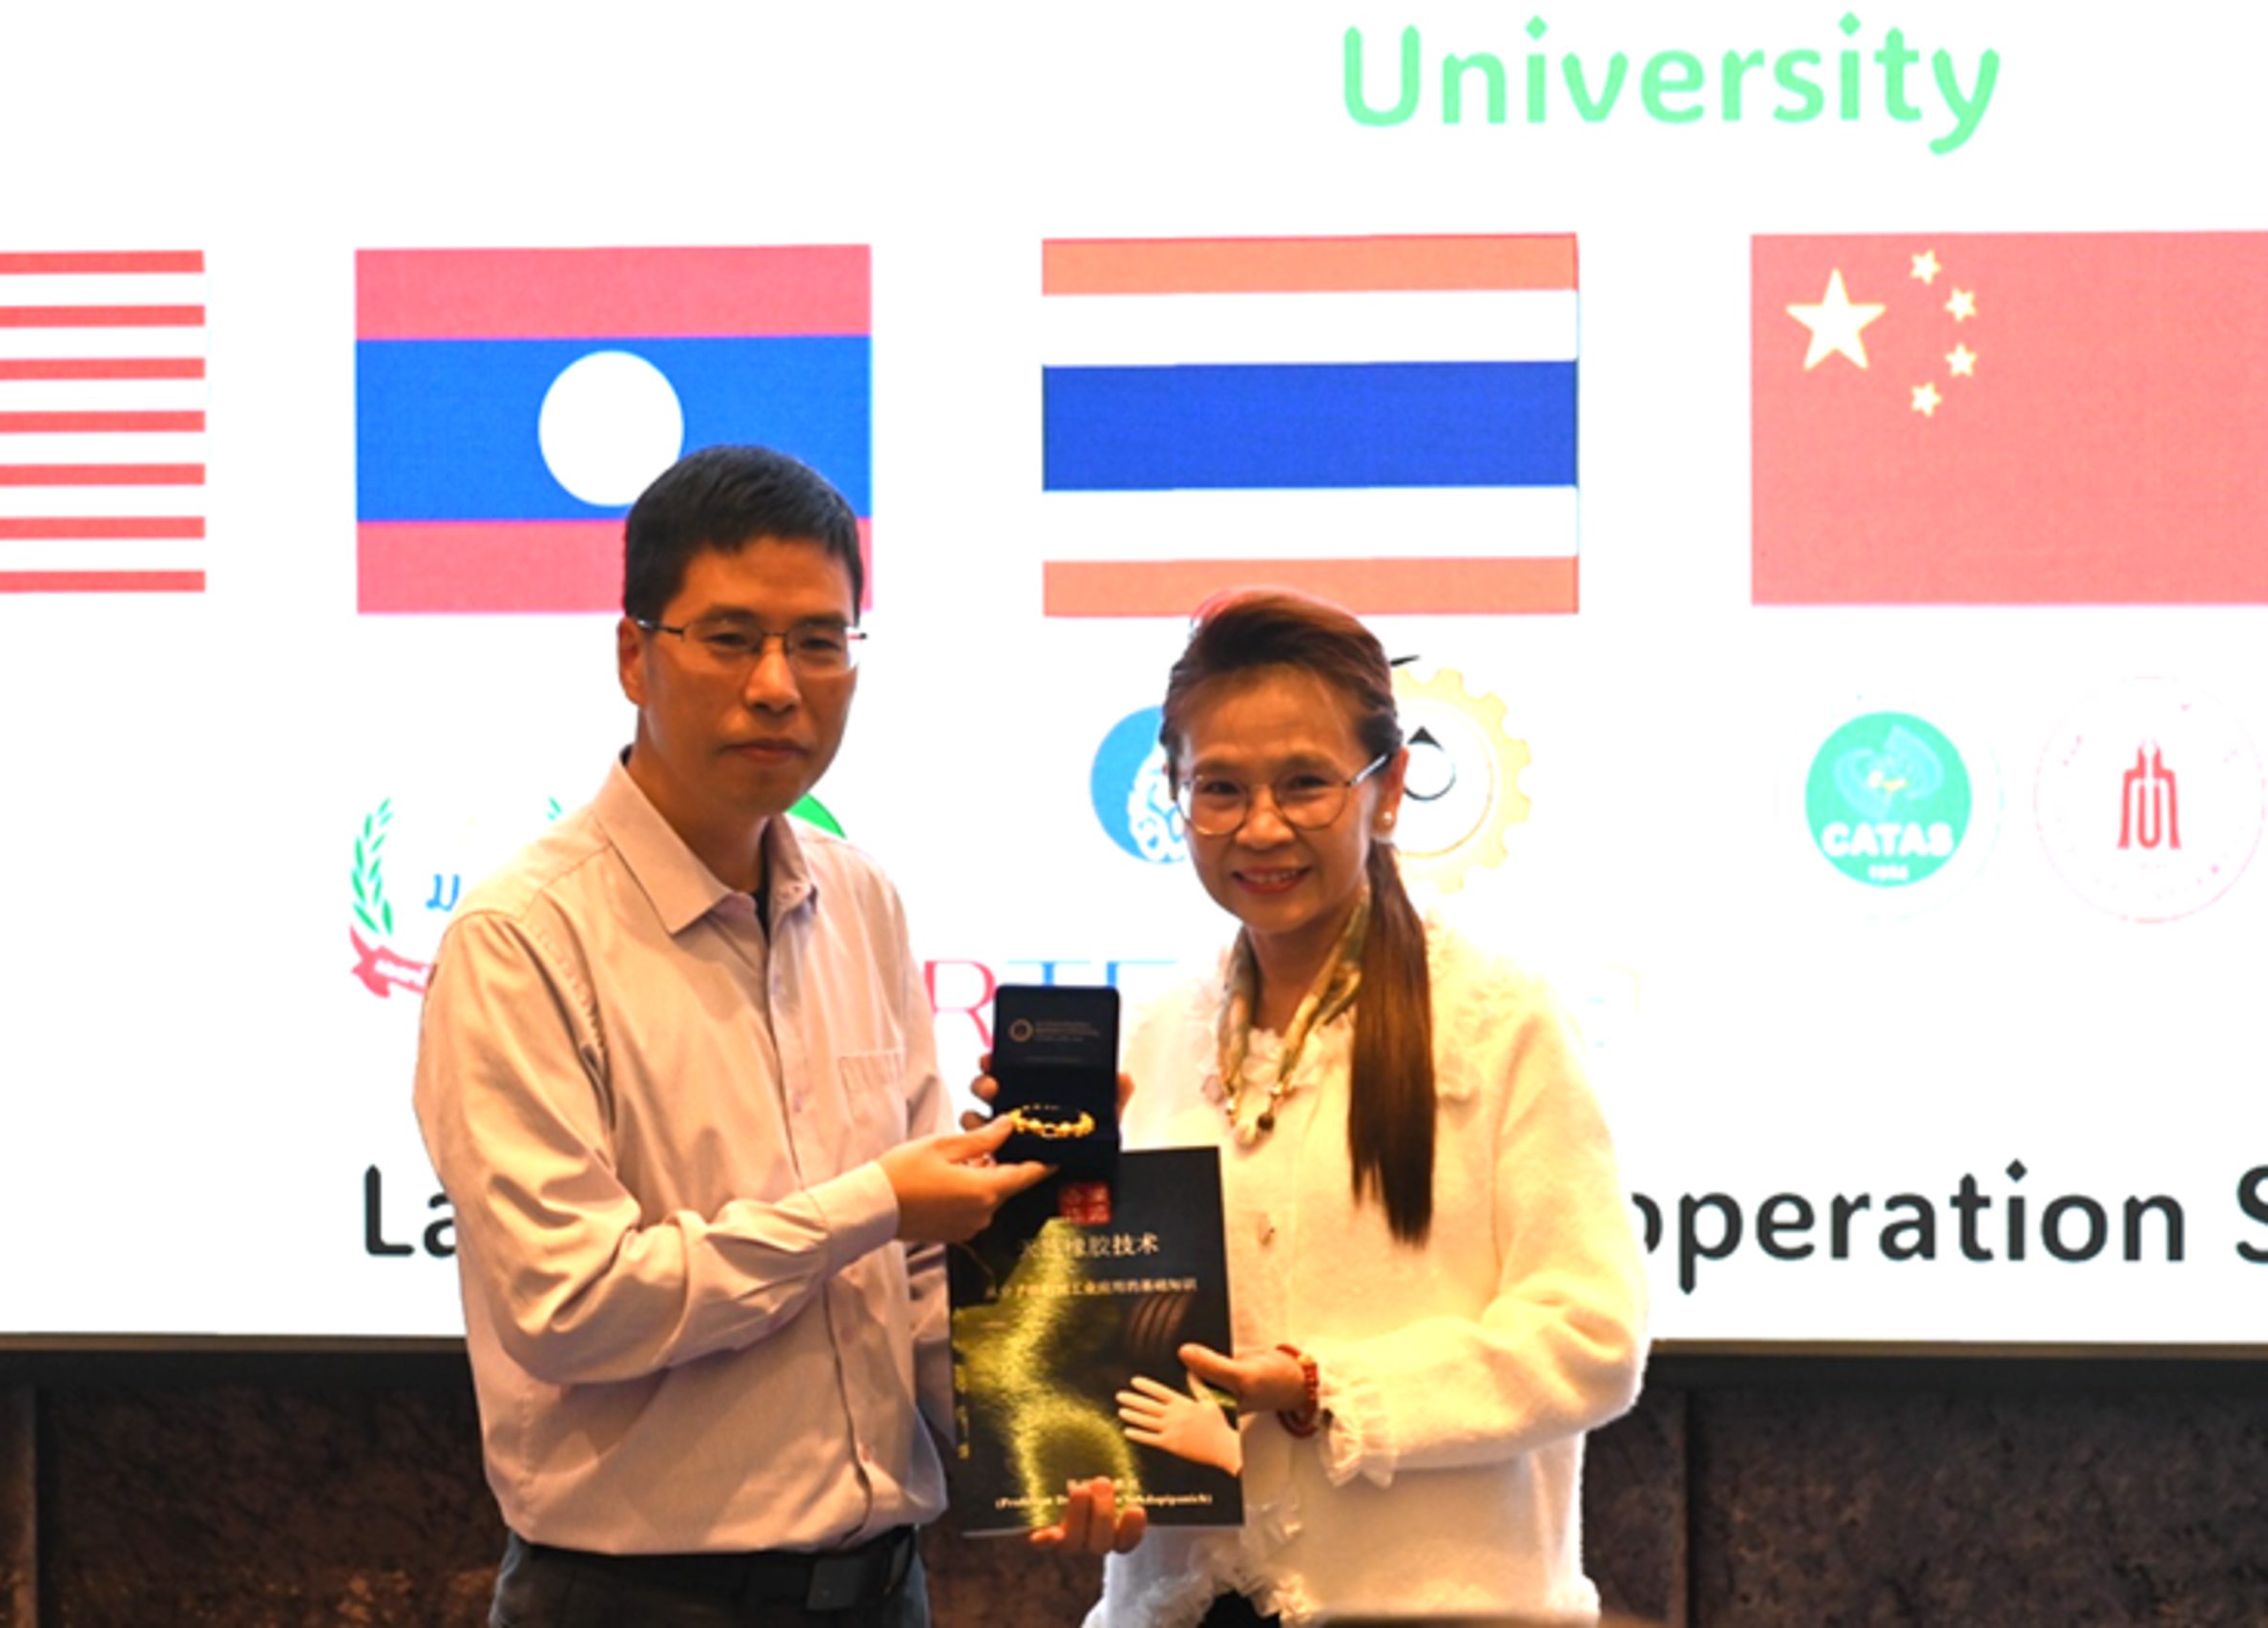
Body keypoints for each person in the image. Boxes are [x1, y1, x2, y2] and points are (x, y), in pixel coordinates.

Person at [413, 444, 1063, 1627]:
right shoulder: (524, 936)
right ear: (633, 653)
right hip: (636, 1600)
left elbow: (917, 1272)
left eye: (818, 641)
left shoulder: (861, 898)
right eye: (730, 638)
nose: (777, 684)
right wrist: (874, 1202)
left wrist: (1055, 1442)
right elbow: (571, 1302)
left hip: (883, 1588)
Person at [1073, 590, 1650, 1626]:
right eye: (1219, 788)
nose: (1261, 826)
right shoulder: (1151, 1031)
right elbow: (1108, 1355)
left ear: (1386, 789)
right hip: (1180, 1602)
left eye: (1305, 783)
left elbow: (1590, 1337)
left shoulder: (1494, 1015)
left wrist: (1321, 1387)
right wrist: (1081, 1463)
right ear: (1174, 795)